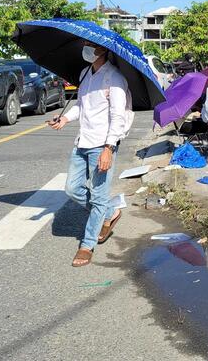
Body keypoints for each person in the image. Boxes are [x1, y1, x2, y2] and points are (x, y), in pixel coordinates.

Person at [49, 41, 132, 268]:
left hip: (102, 145)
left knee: (97, 197)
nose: (85, 49)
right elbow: (80, 106)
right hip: (82, 141)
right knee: (72, 188)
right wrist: (65, 118)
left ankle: (86, 245)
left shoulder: (115, 79)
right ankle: (111, 211)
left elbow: (118, 117)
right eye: (85, 44)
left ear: (103, 50)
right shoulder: (85, 73)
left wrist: (109, 148)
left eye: (91, 46)